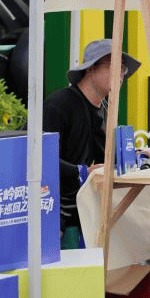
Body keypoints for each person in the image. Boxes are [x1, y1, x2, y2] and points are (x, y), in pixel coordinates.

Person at [43, 38, 139, 247]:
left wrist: (133, 155)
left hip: (84, 209)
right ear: (91, 69)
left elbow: (104, 155)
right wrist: (82, 172)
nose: (120, 75)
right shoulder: (59, 105)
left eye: (122, 70)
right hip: (53, 214)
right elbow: (37, 156)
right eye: (114, 67)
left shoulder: (103, 109)